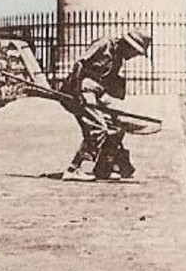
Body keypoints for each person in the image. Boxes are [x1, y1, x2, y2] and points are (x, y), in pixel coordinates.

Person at [60, 31, 151, 181]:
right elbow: (79, 64)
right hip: (81, 90)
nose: (134, 56)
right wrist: (76, 94)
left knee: (115, 127)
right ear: (127, 45)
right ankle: (76, 169)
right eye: (135, 52)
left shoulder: (118, 57)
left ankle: (106, 167)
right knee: (98, 128)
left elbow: (109, 81)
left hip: (96, 93)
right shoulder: (104, 44)